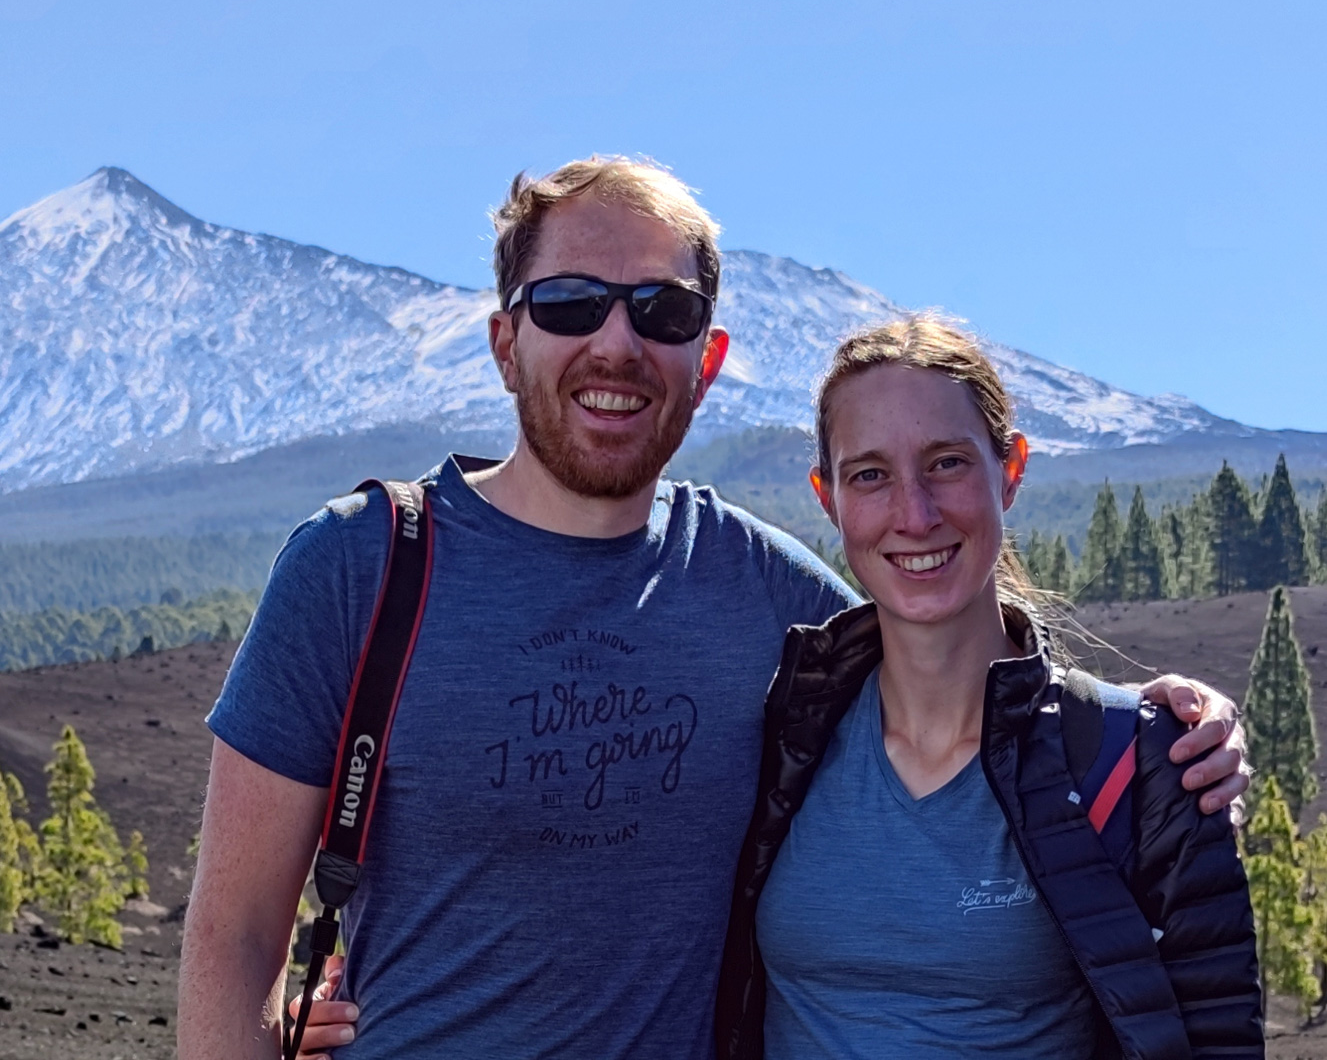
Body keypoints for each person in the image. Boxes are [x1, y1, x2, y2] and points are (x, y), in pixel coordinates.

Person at [177, 157, 1249, 1060]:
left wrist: (1156, 721)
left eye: (663, 310)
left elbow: (937, 614)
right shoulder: (358, 569)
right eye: (568, 304)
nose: (616, 343)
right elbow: (230, 942)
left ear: (708, 358)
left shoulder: (755, 582)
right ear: (505, 343)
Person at [714, 318, 1262, 1059]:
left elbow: (1215, 1034)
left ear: (1010, 471)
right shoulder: (781, 741)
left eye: (945, 463)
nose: (914, 514)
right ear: (827, 497)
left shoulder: (1136, 762)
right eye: (869, 474)